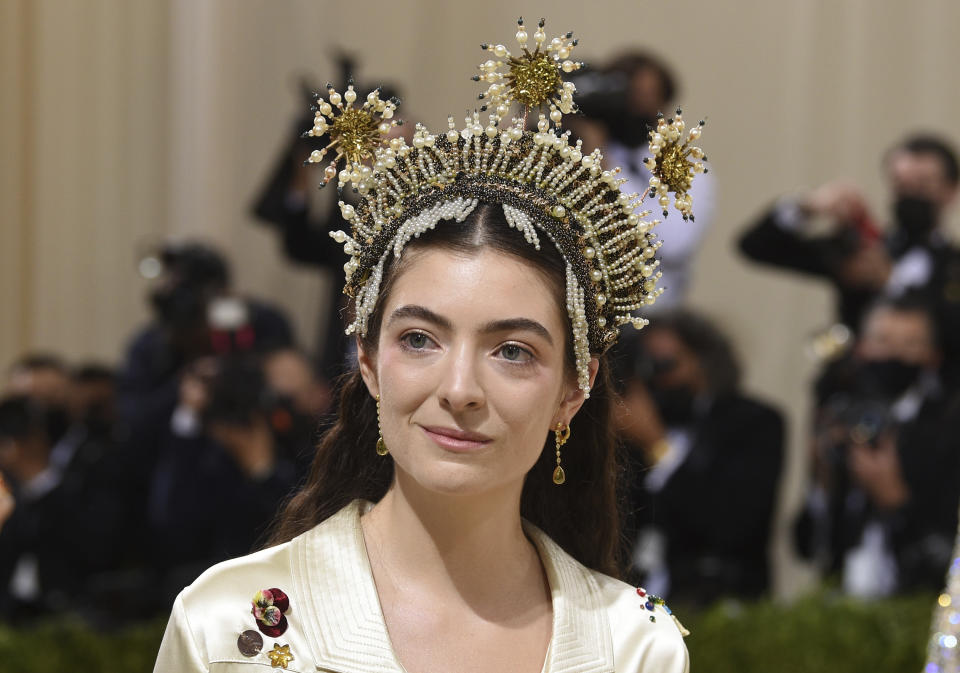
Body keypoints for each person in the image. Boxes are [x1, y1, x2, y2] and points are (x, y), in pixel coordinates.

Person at [156, 19, 703, 672]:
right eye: (419, 339)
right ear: (367, 359)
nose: (460, 389)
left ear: (574, 388)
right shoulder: (231, 625)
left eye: (513, 351)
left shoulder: (634, 643)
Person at [738, 135, 960, 385]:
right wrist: (807, 207)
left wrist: (890, 281)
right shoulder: (861, 249)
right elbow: (756, 248)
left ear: (950, 190)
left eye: (922, 186)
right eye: (901, 185)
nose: (910, 195)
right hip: (850, 389)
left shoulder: (953, 265)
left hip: (935, 400)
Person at [612, 311, 784, 604]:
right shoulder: (632, 428)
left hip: (716, 602)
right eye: (647, 368)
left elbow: (732, 524)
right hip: (633, 596)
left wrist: (658, 446)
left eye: (665, 365)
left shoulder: (754, 422)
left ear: (704, 361)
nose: (657, 379)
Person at [795, 295, 960, 597]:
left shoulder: (946, 430)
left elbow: (943, 559)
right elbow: (805, 545)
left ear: (933, 355)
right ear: (861, 348)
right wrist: (822, 477)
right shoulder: (840, 416)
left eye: (910, 344)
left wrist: (895, 500)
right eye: (882, 340)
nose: (894, 354)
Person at [569, 51, 715, 309]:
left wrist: (605, 164)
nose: (637, 108)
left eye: (647, 97)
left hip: (652, 314)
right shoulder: (573, 154)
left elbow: (673, 242)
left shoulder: (685, 164)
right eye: (628, 97)